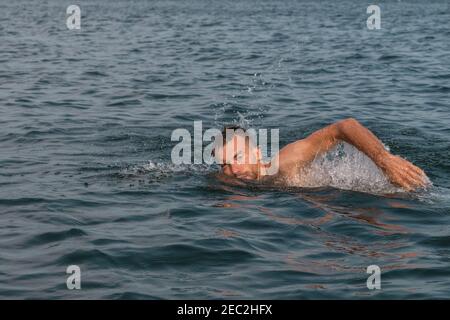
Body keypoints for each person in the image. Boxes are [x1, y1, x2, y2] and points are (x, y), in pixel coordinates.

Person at [214, 118, 428, 191]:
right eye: (224, 164)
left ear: (257, 153)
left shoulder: (285, 163)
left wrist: (385, 160)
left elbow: (344, 127)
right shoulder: (228, 179)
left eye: (238, 158)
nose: (234, 170)